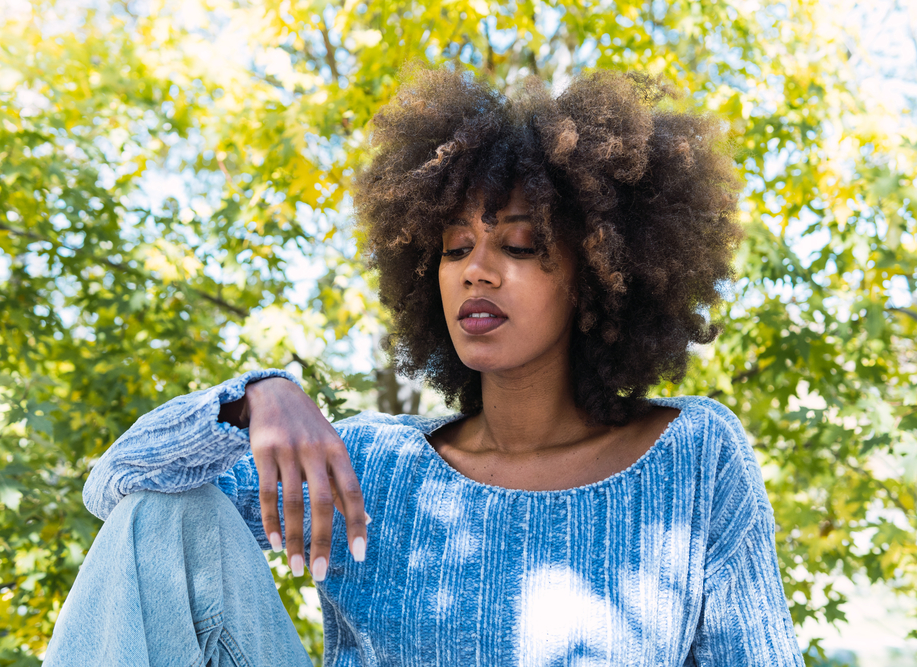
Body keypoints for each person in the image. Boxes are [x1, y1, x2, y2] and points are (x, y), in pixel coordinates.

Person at [43, 66, 804, 666]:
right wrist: (253, 397)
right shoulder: (373, 462)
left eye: (518, 245)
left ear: (601, 270)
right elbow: (119, 490)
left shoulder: (694, 456)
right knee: (169, 507)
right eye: (454, 248)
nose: (477, 271)